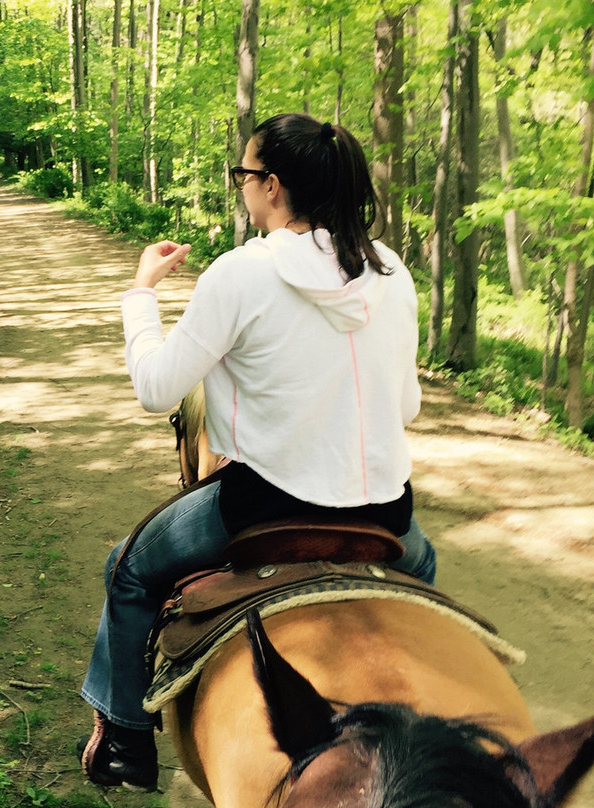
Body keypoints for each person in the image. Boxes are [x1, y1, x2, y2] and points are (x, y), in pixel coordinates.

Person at [78, 113, 437, 792]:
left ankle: (125, 735)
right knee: (425, 567)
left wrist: (140, 293)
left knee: (126, 570)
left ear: (271, 186)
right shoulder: (392, 271)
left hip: (261, 507)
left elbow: (157, 390)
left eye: (242, 174)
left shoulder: (242, 272)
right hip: (386, 514)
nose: (241, 185)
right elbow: (407, 407)